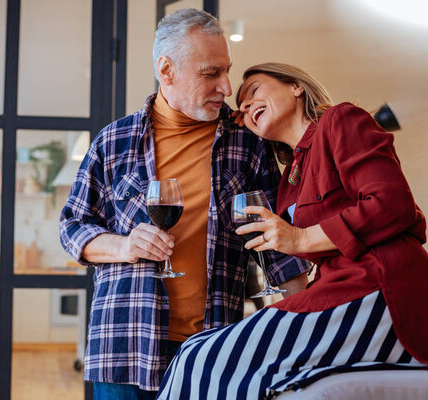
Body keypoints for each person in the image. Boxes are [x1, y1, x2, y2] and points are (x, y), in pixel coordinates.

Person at [59, 11, 310, 399]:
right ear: (166, 70)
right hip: (124, 345)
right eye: (211, 74)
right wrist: (124, 246)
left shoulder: (248, 144)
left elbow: (277, 248)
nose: (227, 86)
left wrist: (311, 324)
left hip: (212, 349)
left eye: (227, 70)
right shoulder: (113, 142)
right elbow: (72, 226)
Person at [156, 63, 428, 400]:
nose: (245, 105)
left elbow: (393, 205)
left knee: (199, 358)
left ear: (296, 87)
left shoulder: (341, 120)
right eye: (241, 105)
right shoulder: (290, 181)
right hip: (336, 289)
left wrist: (299, 239)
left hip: (380, 288)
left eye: (254, 90)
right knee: (197, 351)